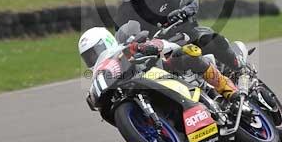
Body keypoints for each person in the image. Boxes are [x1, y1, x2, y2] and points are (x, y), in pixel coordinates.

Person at [107, 0, 242, 77]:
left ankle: (238, 66)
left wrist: (184, 10)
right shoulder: (122, 13)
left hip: (187, 37)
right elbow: (121, 43)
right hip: (156, 55)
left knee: (210, 39)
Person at [77, 25, 239, 111]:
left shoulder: (125, 48)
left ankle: (228, 88)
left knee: (188, 55)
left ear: (107, 41)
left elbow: (160, 45)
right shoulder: (105, 72)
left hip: (166, 70)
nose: (94, 57)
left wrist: (146, 46)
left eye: (94, 52)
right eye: (88, 57)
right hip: (147, 86)